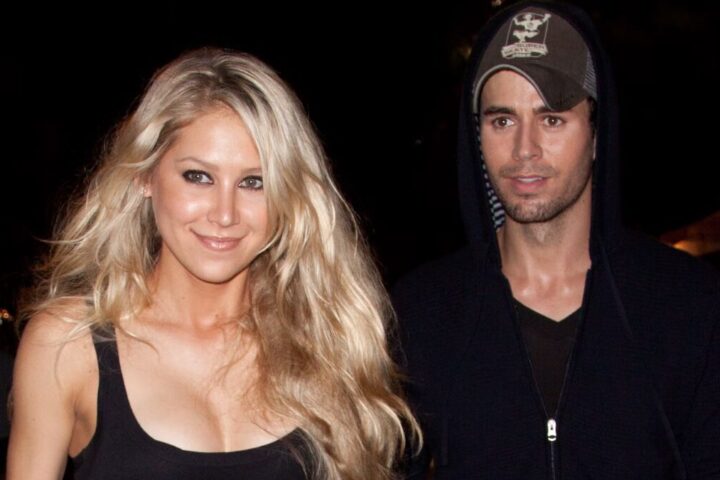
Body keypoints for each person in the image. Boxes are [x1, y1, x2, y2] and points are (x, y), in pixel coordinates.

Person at [8, 48, 419, 480]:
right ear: (144, 176)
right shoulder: (68, 343)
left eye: (254, 182)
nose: (225, 214)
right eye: (198, 177)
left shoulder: (323, 340)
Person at [393, 1, 720, 478]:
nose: (524, 149)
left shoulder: (688, 306)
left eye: (552, 118)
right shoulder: (421, 315)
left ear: (596, 133)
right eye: (502, 120)